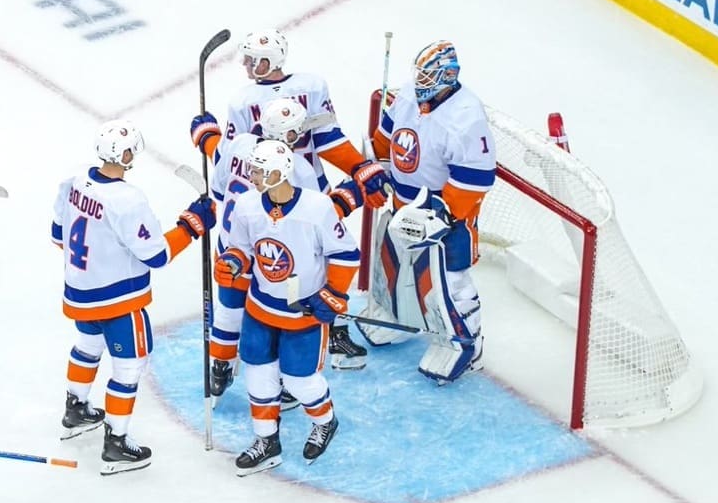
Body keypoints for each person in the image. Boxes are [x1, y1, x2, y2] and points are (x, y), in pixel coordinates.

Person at [191, 28, 375, 371]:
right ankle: (294, 360)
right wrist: (351, 192)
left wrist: (206, 139)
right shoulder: (298, 168)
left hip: (238, 235)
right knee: (303, 276)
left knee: (237, 301)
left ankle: (222, 365)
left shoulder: (244, 137)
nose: (246, 65)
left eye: (252, 59)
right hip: (285, 204)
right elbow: (311, 204)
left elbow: (221, 176)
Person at [52, 123, 215, 471]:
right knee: (129, 368)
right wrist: (191, 225)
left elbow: (57, 233)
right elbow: (156, 255)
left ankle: (76, 409)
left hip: (80, 294)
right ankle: (116, 442)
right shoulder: (127, 199)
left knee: (87, 348)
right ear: (125, 155)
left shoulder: (74, 180)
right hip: (119, 301)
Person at [215, 141, 360, 474]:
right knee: (258, 375)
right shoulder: (247, 206)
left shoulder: (318, 208)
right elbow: (241, 248)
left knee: (298, 380)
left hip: (301, 312)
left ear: (280, 173)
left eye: (259, 170)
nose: (252, 176)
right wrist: (232, 264)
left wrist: (333, 294)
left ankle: (325, 421)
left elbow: (346, 254)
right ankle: (267, 441)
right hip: (260, 306)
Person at [362, 40, 496, 383]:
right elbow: (386, 139)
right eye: (420, 73)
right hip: (401, 204)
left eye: (429, 74)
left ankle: (464, 344)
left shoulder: (467, 116)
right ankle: (394, 320)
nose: (421, 80)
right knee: (392, 267)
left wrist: (442, 214)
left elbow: (475, 178)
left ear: (448, 75)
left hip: (443, 216)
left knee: (447, 281)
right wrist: (376, 166)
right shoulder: (408, 95)